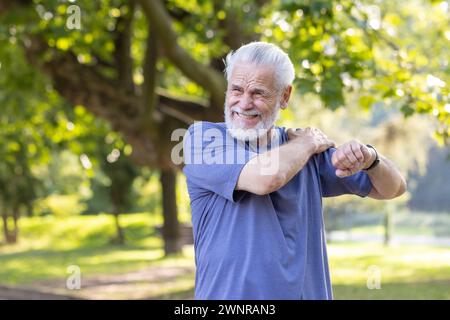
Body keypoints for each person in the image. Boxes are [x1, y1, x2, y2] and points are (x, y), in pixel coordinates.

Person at [182, 42, 406, 300]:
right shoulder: (203, 138)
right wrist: (308, 142)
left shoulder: (303, 153)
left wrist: (371, 159)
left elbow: (393, 188)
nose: (243, 103)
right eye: (236, 89)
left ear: (284, 97)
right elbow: (265, 178)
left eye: (258, 93)